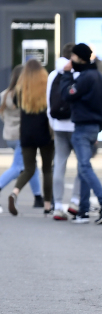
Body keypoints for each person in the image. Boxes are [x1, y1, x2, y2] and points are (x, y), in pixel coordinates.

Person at [66, 43, 102, 225]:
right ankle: (83, 211)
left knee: (85, 167)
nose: (71, 60)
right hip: (93, 127)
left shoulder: (85, 77)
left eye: (73, 57)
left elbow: (68, 95)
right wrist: (99, 127)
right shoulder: (99, 77)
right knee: (82, 169)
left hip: (82, 127)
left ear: (79, 58)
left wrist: (66, 75)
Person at [7, 60, 53, 216]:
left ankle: (14, 192)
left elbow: (15, 103)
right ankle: (47, 205)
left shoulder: (21, 90)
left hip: (26, 133)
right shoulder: (47, 87)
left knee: (28, 169)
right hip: (45, 133)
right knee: (47, 169)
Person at [0, 65, 44, 210]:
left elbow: (2, 115)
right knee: (18, 166)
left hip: (9, 135)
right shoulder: (24, 95)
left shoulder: (4, 94)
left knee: (31, 166)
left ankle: (38, 197)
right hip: (22, 136)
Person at [47, 45, 81, 220]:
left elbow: (48, 103)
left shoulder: (54, 74)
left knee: (59, 164)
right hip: (77, 127)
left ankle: (58, 206)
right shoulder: (78, 74)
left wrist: (53, 125)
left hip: (59, 126)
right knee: (82, 165)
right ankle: (75, 202)